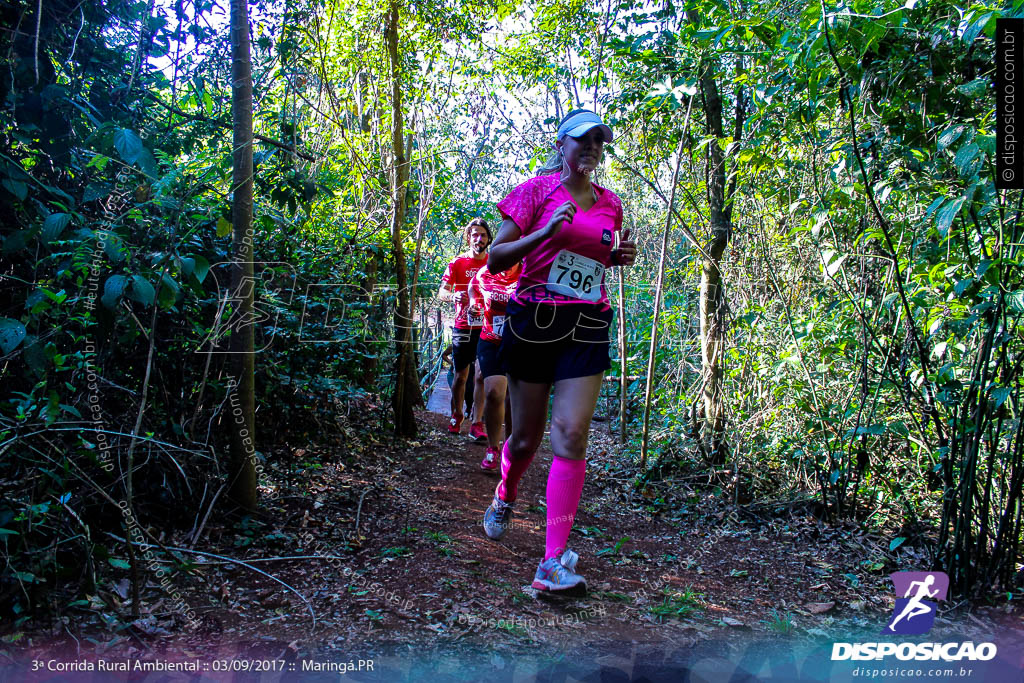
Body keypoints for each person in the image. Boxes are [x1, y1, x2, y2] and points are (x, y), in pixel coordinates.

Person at [480, 109, 636, 596]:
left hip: (587, 323)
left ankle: (551, 562)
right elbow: (497, 258)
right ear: (563, 144)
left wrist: (615, 257)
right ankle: (505, 492)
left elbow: (594, 257)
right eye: (582, 140)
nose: (591, 147)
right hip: (534, 324)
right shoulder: (535, 191)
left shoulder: (611, 204)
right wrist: (544, 234)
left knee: (570, 434)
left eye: (599, 142)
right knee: (525, 440)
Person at [468, 260, 522, 471]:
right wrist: (475, 304)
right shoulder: (486, 272)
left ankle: (511, 449)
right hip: (490, 338)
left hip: (519, 342)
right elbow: (473, 287)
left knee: (511, 398)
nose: (506, 264)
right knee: (494, 392)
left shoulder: (529, 273)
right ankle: (493, 447)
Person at [438, 219, 490, 437]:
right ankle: (456, 415)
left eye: (483, 235)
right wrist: (453, 296)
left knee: (481, 376)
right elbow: (442, 293)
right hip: (463, 326)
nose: (479, 239)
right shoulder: (457, 263)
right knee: (461, 375)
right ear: (468, 238)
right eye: (475, 234)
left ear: (489, 239)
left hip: (487, 326)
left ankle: (477, 422)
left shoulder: (494, 263)